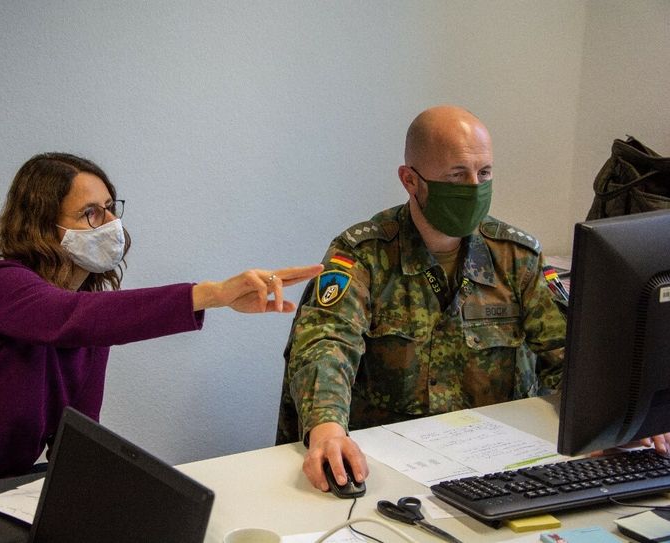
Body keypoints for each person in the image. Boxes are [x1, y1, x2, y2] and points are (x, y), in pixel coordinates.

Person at [0, 152, 322, 528]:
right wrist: (214, 294)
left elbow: (74, 437)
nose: (108, 225)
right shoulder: (0, 287)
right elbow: (67, 319)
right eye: (89, 213)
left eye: (110, 208)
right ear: (43, 225)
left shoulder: (92, 317)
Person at [277, 105, 670, 494]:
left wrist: (615, 421)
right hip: (388, 469)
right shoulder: (365, 253)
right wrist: (327, 428)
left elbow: (568, 352)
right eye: (457, 175)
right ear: (410, 181)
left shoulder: (515, 256)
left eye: (484, 173)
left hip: (502, 468)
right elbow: (327, 344)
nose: (474, 188)